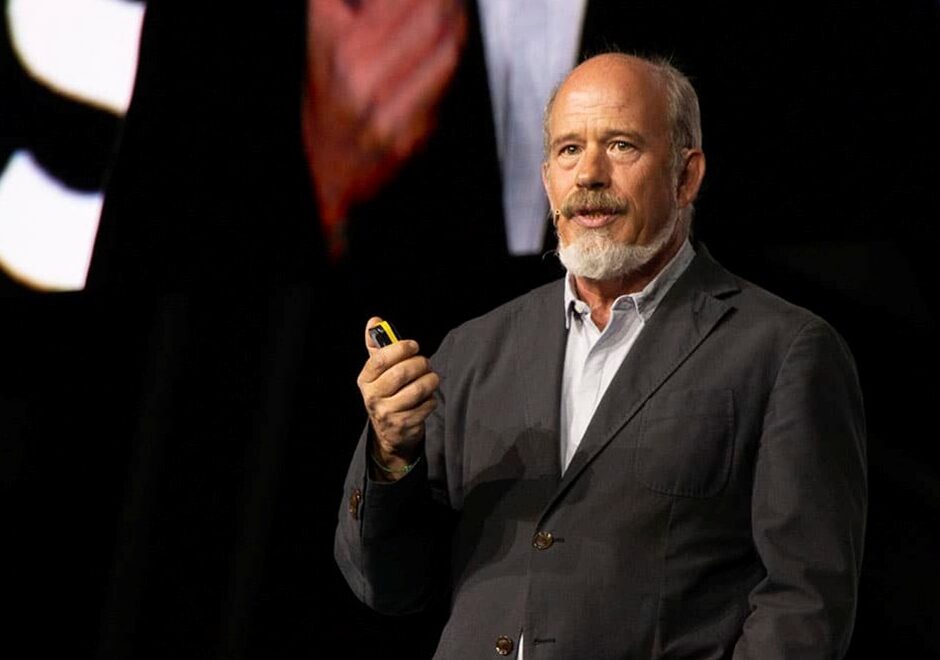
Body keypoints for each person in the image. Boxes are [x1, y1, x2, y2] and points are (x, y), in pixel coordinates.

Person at [336, 52, 867, 659]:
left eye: (620, 146)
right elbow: (389, 586)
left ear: (686, 176)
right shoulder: (475, 350)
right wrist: (391, 457)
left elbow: (807, 605)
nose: (588, 174)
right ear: (546, 182)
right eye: (568, 150)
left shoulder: (783, 351)